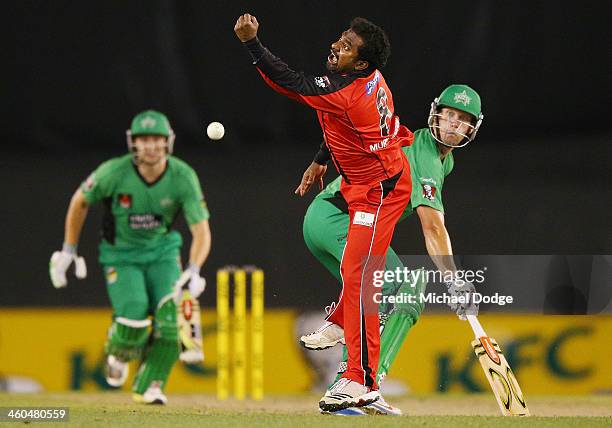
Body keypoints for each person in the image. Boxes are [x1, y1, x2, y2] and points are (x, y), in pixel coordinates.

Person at [235, 13, 413, 411]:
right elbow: (340, 125)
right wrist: (321, 158)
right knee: (356, 270)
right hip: (368, 180)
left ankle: (359, 381)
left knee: (362, 277)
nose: (337, 46)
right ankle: (339, 323)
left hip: (380, 190)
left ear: (362, 64)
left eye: (347, 47)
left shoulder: (349, 92)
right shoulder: (364, 81)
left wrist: (252, 44)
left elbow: (290, 82)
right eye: (341, 38)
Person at [301, 84, 483, 415]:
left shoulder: (445, 161)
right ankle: (361, 384)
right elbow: (432, 226)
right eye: (450, 115)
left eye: (463, 119)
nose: (455, 124)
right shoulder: (426, 155)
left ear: (473, 127)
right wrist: (456, 280)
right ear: (436, 115)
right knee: (405, 286)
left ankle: (350, 385)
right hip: (337, 218)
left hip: (333, 219)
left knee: (380, 296)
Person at [49, 110, 211, 405]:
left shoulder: (182, 176)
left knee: (170, 324)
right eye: (143, 140)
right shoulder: (114, 172)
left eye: (156, 139)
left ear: (167, 142)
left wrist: (194, 268)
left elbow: (201, 230)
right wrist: (68, 249)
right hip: (121, 255)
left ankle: (150, 386)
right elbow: (80, 200)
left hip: (162, 253)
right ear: (133, 143)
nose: (150, 146)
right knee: (134, 315)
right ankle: (117, 351)